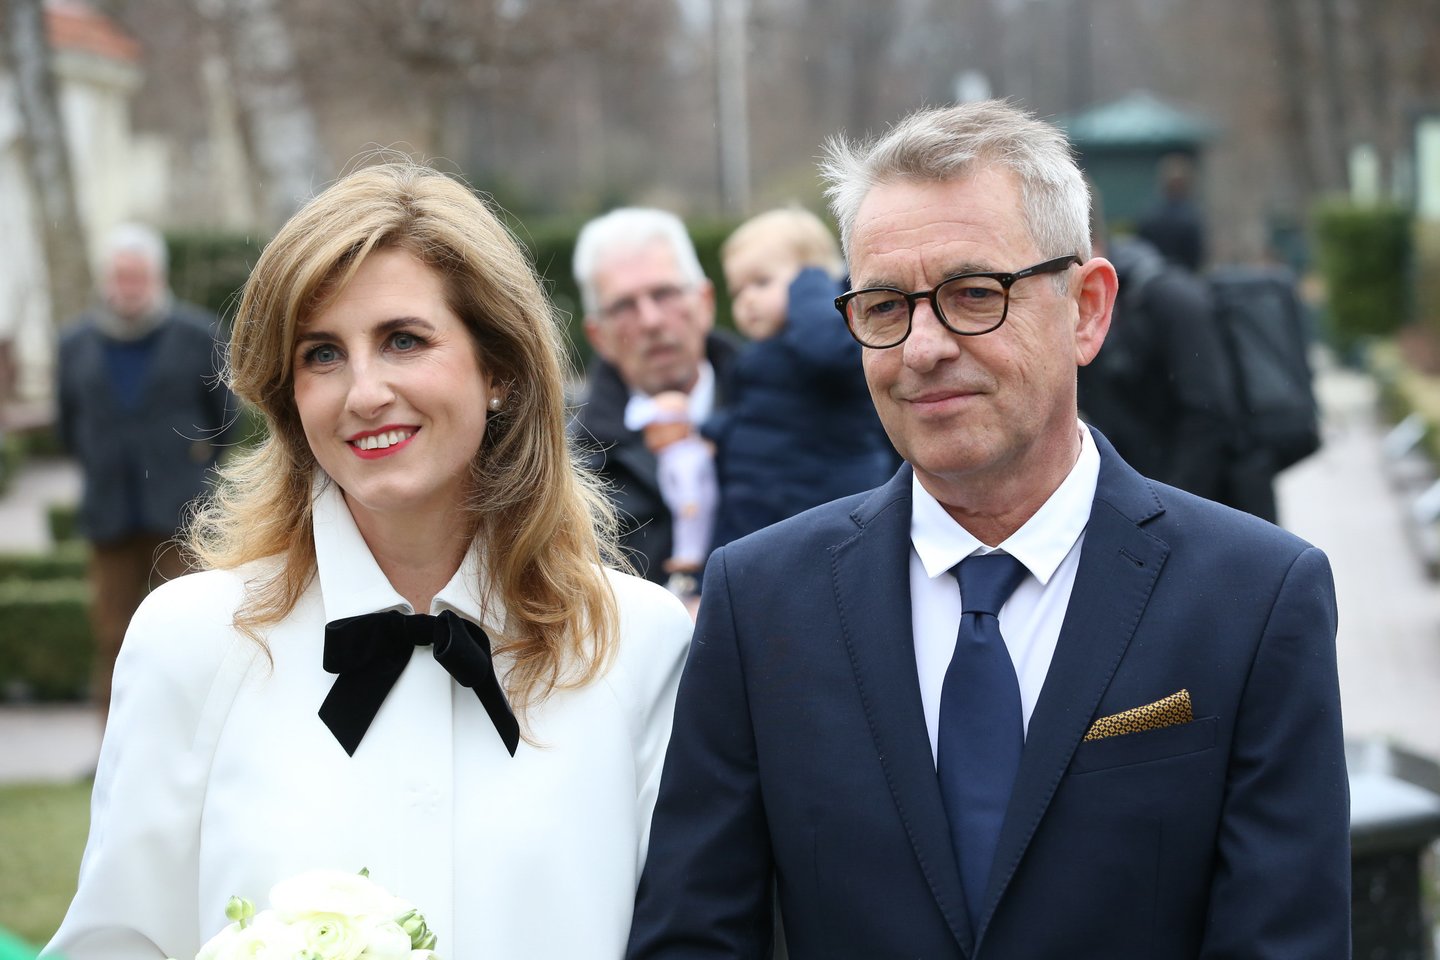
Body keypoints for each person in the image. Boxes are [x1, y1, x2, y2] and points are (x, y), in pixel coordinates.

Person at [628, 101, 1348, 959]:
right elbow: (696, 935)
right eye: (885, 306)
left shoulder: (1255, 598)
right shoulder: (759, 603)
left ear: (1087, 310)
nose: (923, 347)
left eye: (974, 294)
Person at [45, 162, 693, 960]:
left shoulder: (637, 643)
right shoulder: (190, 640)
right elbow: (116, 944)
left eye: (403, 341)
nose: (363, 393)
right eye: (322, 354)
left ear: (498, 368)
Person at [55, 223, 238, 723]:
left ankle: (191, 740)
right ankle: (112, 748)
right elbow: (67, 425)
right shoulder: (73, 343)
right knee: (111, 637)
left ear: (158, 277)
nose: (128, 286)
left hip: (179, 515)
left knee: (188, 635)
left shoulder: (198, 334)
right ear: (106, 280)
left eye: (138, 276)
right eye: (120, 276)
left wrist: (195, 470)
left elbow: (226, 417)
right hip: (109, 515)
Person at [572, 207, 740, 599]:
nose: (650, 320)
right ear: (598, 336)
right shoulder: (570, 466)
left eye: (664, 294)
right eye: (623, 306)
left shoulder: (786, 416)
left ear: (705, 302)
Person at [704, 206, 895, 550]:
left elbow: (829, 354)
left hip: (822, 504)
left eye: (761, 282)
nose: (747, 299)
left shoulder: (833, 335)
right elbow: (750, 417)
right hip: (757, 507)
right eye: (737, 291)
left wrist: (812, 287)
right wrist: (709, 430)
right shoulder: (756, 355)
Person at [1137, 152, 1206, 273]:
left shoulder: (1151, 214)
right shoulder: (1191, 216)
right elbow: (1197, 255)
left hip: (1154, 275)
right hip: (1184, 276)